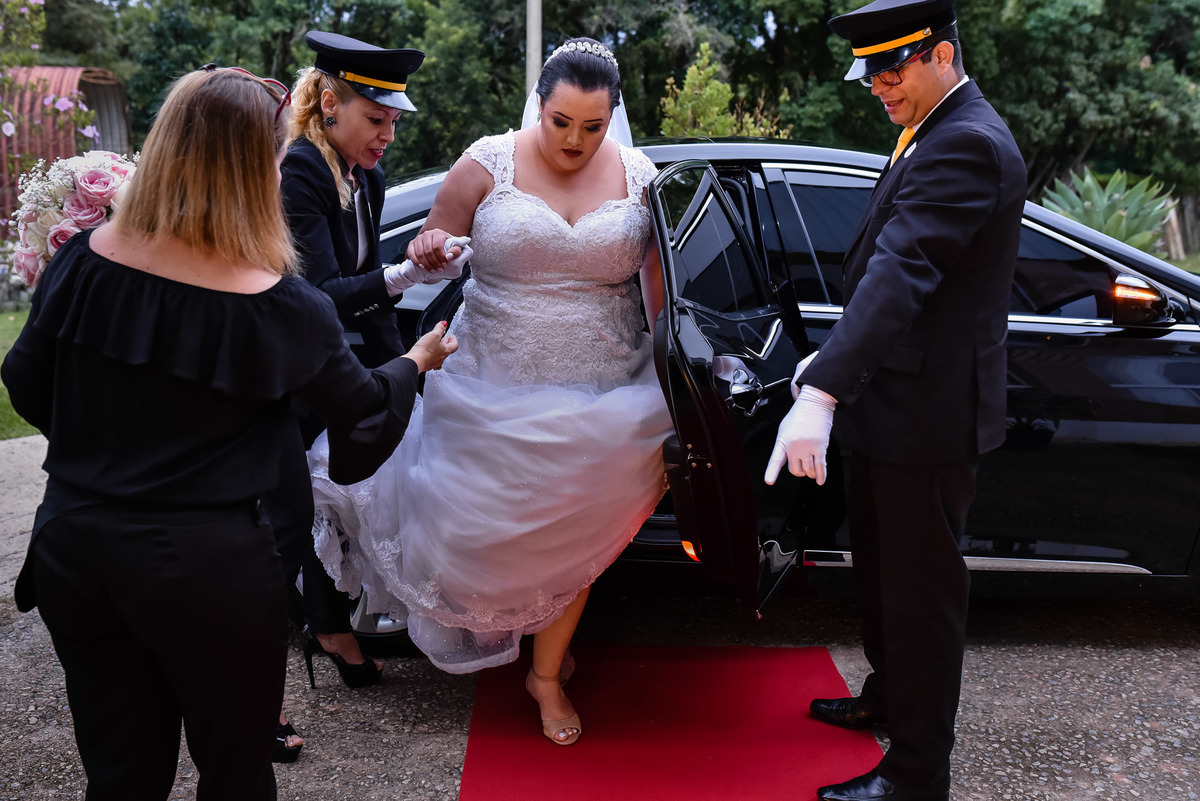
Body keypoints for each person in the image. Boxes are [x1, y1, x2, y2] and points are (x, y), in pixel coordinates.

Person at [0, 67, 456, 800]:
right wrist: (416, 360)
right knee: (235, 771)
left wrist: (104, 450)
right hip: (207, 568)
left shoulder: (82, 261)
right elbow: (362, 414)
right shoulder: (282, 306)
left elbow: (24, 383)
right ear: (257, 167)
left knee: (118, 773)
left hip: (78, 548)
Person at [309, 36, 673, 746]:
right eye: (561, 120)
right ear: (538, 105)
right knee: (487, 531)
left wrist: (679, 368)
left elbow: (658, 291)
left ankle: (544, 674)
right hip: (490, 380)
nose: (574, 139)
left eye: (592, 126)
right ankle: (524, 644)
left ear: (613, 118)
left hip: (604, 389)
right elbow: (434, 248)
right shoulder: (488, 159)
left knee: (581, 523)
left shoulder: (639, 173)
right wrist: (431, 251)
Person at [764, 1, 1026, 799]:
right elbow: (888, 267)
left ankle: (917, 774)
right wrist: (836, 361)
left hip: (927, 412)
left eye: (892, 70)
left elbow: (903, 269)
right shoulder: (938, 127)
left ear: (942, 54)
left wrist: (823, 386)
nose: (878, 86)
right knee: (883, 578)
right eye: (871, 74)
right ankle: (889, 699)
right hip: (898, 399)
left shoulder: (968, 143)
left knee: (920, 599)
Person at [265, 31, 469, 697]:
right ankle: (325, 624)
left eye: (393, 122)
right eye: (376, 119)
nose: (387, 136)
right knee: (318, 497)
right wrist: (404, 272)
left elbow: (365, 296)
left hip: (349, 355)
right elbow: (320, 294)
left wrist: (404, 364)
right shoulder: (299, 170)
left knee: (393, 465)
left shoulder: (368, 175)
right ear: (329, 103)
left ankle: (348, 613)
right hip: (296, 364)